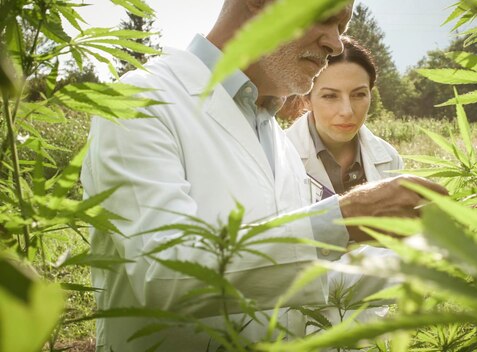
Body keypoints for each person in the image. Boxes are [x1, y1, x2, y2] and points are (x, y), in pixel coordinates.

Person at [80, 0, 447, 351]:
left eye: (341, 27)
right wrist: (343, 219)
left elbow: (302, 278)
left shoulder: (276, 139)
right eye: (325, 17)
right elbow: (165, 277)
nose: (335, 45)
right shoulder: (142, 101)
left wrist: (428, 259)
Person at [285, 36, 402, 197]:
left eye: (359, 94)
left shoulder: (390, 158)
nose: (347, 111)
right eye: (330, 96)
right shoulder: (279, 156)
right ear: (306, 98)